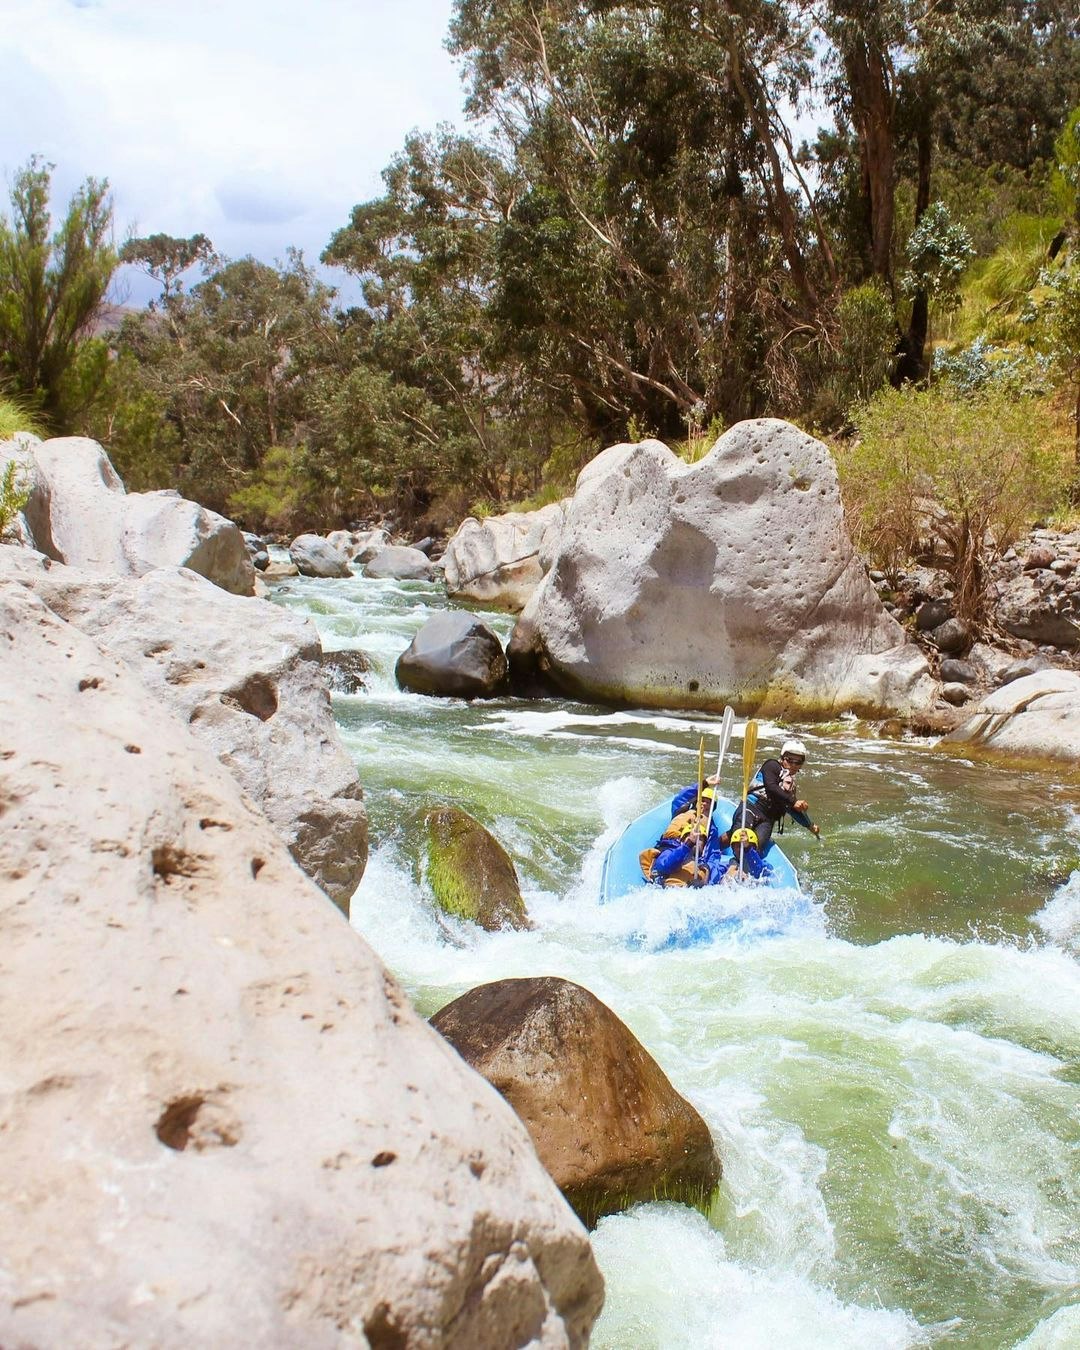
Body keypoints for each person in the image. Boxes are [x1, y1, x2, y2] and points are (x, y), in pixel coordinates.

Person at [727, 739, 820, 874]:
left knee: (755, 847)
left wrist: (810, 825)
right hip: (751, 807)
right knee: (738, 838)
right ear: (782, 758)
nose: (793, 765)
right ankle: (727, 861)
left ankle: (747, 870)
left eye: (798, 762)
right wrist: (793, 801)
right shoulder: (771, 765)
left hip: (767, 820)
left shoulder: (790, 787)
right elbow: (771, 787)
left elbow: (791, 809)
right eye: (790, 760)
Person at [639, 782, 726, 886]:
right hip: (673, 849)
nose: (705, 804)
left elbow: (713, 857)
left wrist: (705, 880)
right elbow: (681, 797)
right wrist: (705, 783)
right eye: (702, 800)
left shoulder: (711, 829)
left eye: (709, 802)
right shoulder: (682, 812)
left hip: (692, 859)